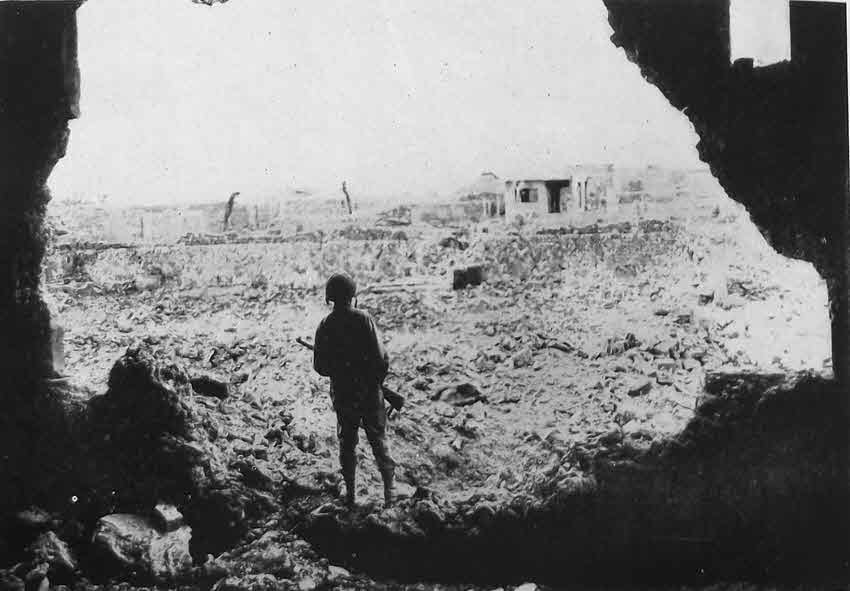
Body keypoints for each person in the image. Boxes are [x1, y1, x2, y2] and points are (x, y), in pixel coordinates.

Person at [313, 273, 395, 507]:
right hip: (368, 392)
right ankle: (390, 495)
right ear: (353, 295)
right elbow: (381, 359)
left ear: (330, 298)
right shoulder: (365, 320)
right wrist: (374, 383)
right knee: (378, 440)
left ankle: (351, 496)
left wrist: (341, 369)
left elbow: (320, 366)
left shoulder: (325, 325)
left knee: (347, 443)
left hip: (343, 393)